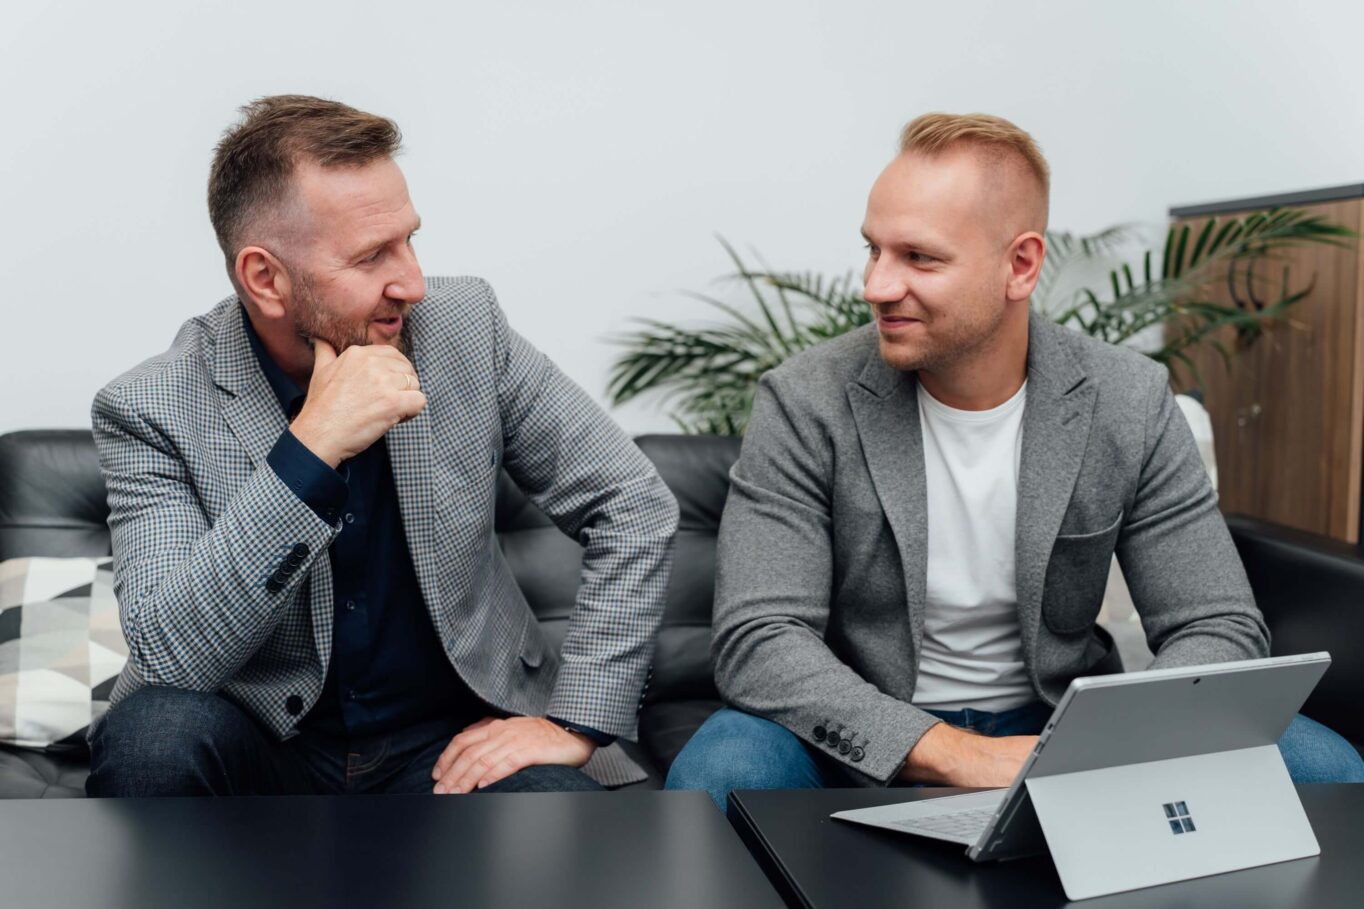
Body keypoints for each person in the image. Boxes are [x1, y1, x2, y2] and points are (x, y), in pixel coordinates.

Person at [666, 112, 1364, 810]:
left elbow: (1216, 624)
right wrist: (953, 753)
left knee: (1325, 766)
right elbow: (760, 639)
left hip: (1063, 723)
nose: (876, 285)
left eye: (919, 258)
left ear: (1021, 265)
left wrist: (1116, 742)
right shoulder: (804, 400)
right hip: (861, 730)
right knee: (723, 770)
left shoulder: (1128, 399)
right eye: (873, 250)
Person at [87, 95, 678, 797]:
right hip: (266, 743)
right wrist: (311, 448)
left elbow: (633, 503)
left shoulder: (466, 328)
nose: (413, 283)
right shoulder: (149, 406)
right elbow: (170, 653)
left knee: (560, 813)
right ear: (265, 278)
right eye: (371, 256)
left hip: (448, 741)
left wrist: (576, 720)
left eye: (409, 240)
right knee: (152, 738)